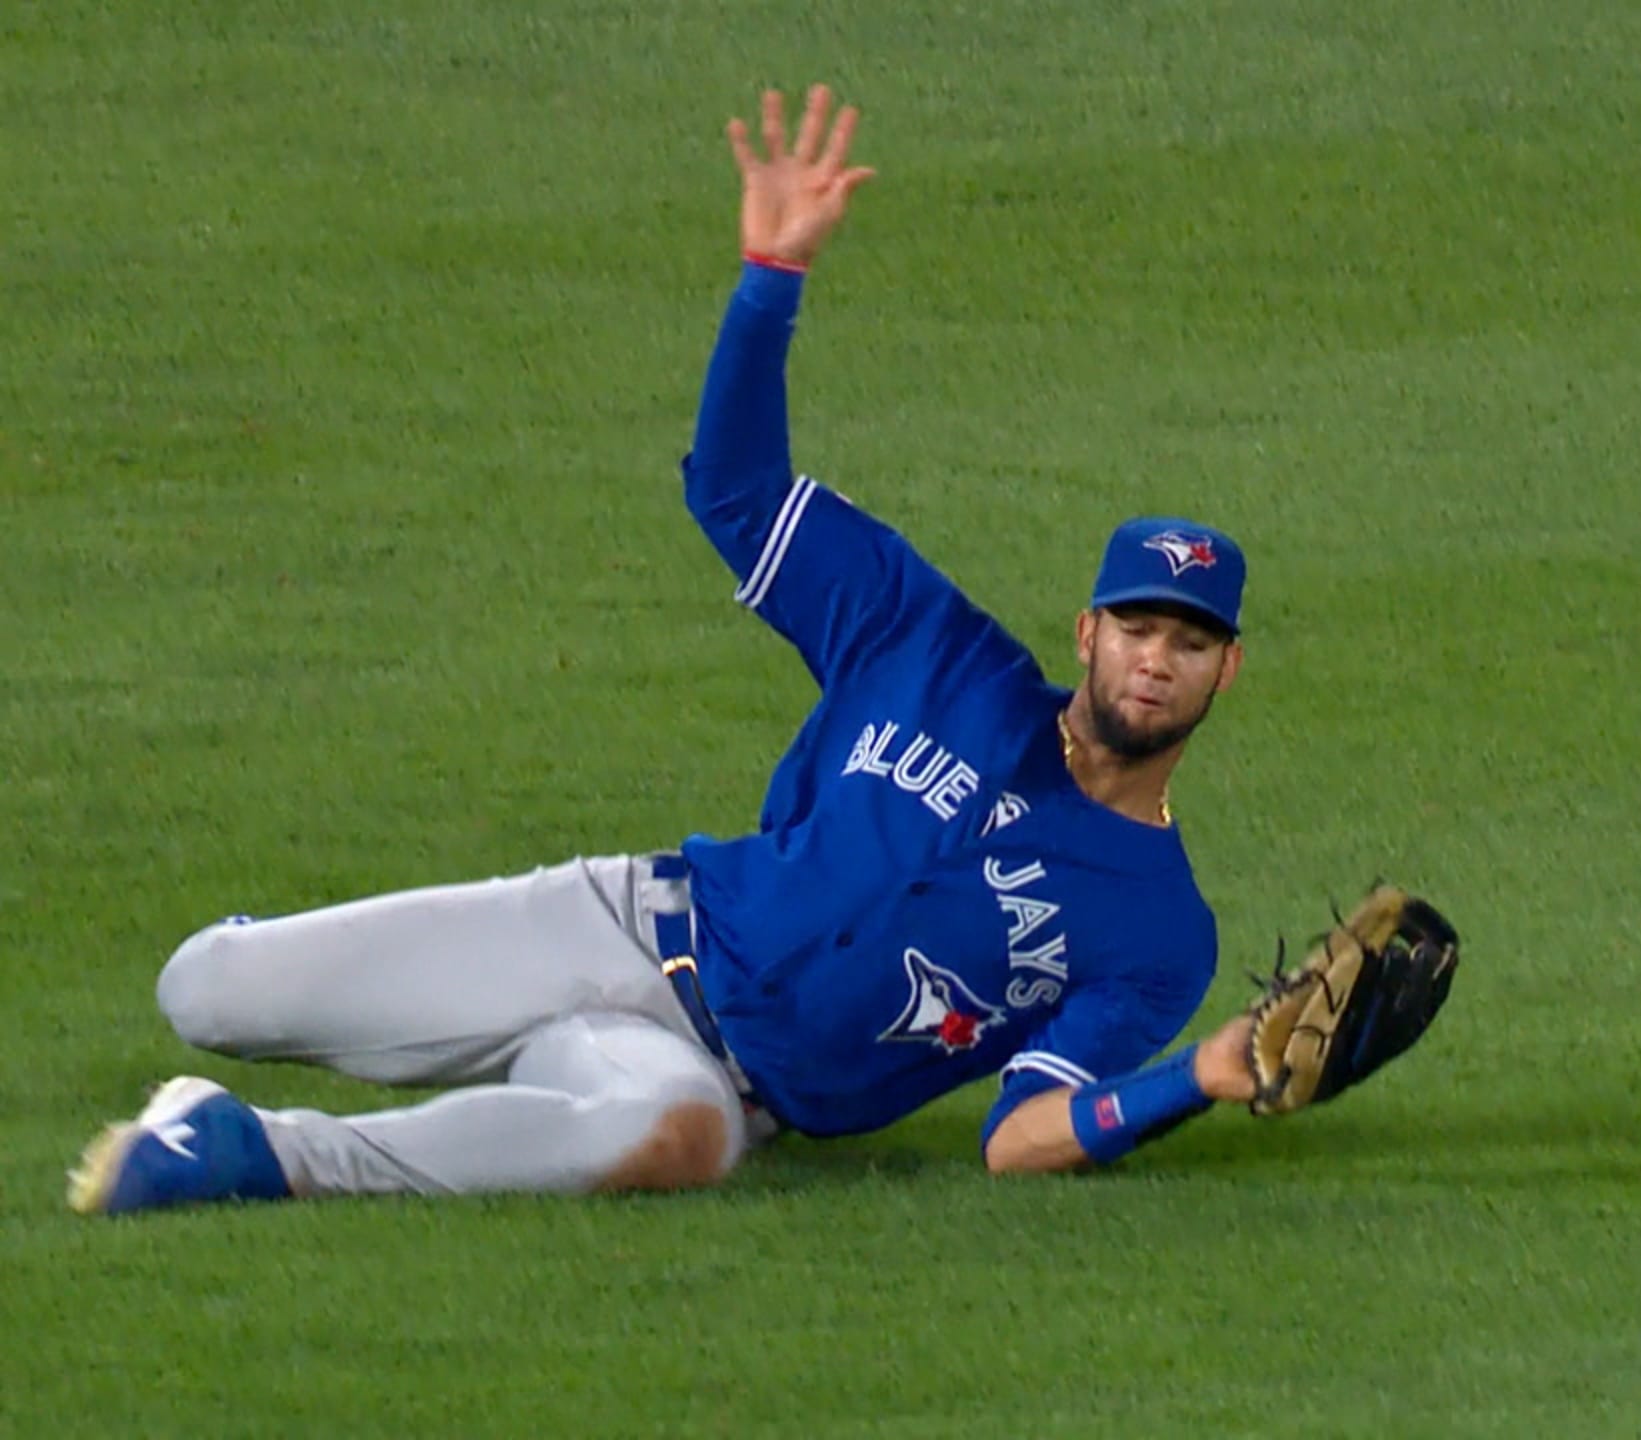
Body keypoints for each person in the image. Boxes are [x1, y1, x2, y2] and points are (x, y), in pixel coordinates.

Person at [68, 84, 1268, 1216]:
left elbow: (1020, 1139)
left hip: (710, 1083)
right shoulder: (931, 646)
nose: (1156, 659)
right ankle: (388, 1031)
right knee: (204, 992)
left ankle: (258, 1149)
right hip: (623, 922)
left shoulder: (1162, 933)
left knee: (674, 1142)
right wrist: (770, 278)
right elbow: (738, 492)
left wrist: (1198, 1077)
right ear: (1089, 632)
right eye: (1138, 627)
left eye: (1190, 641)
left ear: (1227, 671)